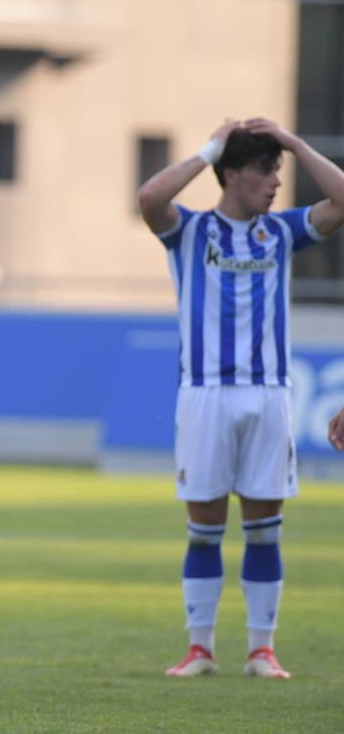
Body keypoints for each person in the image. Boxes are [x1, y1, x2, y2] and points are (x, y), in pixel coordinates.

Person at [136, 118, 344, 679]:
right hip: (204, 394)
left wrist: (297, 143)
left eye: (279, 171)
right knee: (203, 527)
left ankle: (261, 649)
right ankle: (199, 649)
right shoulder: (189, 231)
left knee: (264, 528)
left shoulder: (282, 232)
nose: (276, 183)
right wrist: (209, 147)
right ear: (231, 174)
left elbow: (343, 198)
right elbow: (150, 195)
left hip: (269, 395)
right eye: (265, 170)